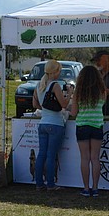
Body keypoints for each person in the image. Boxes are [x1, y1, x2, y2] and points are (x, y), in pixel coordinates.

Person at [31, 59, 70, 190]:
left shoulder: (39, 85)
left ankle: (39, 183)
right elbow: (64, 104)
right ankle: (51, 184)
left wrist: (46, 108)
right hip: (56, 123)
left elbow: (35, 105)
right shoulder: (55, 85)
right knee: (51, 155)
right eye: (59, 70)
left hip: (43, 123)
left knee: (41, 154)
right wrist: (69, 93)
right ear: (55, 71)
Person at [69, 65, 106, 197]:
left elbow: (73, 113)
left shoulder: (78, 92)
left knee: (84, 158)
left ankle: (86, 188)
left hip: (82, 125)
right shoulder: (102, 91)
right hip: (97, 124)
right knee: (95, 158)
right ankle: (95, 188)